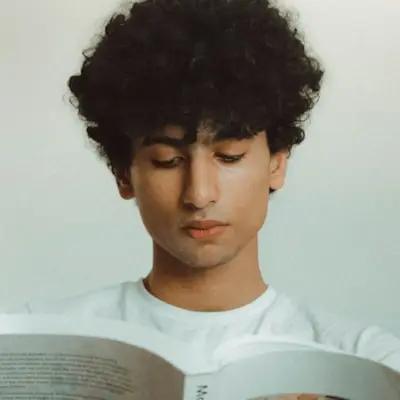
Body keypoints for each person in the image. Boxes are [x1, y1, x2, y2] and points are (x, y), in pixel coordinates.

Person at [10, 0, 400, 386]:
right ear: (124, 175)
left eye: (229, 157)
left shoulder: (368, 361)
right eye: (167, 160)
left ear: (276, 164)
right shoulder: (37, 342)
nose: (199, 194)